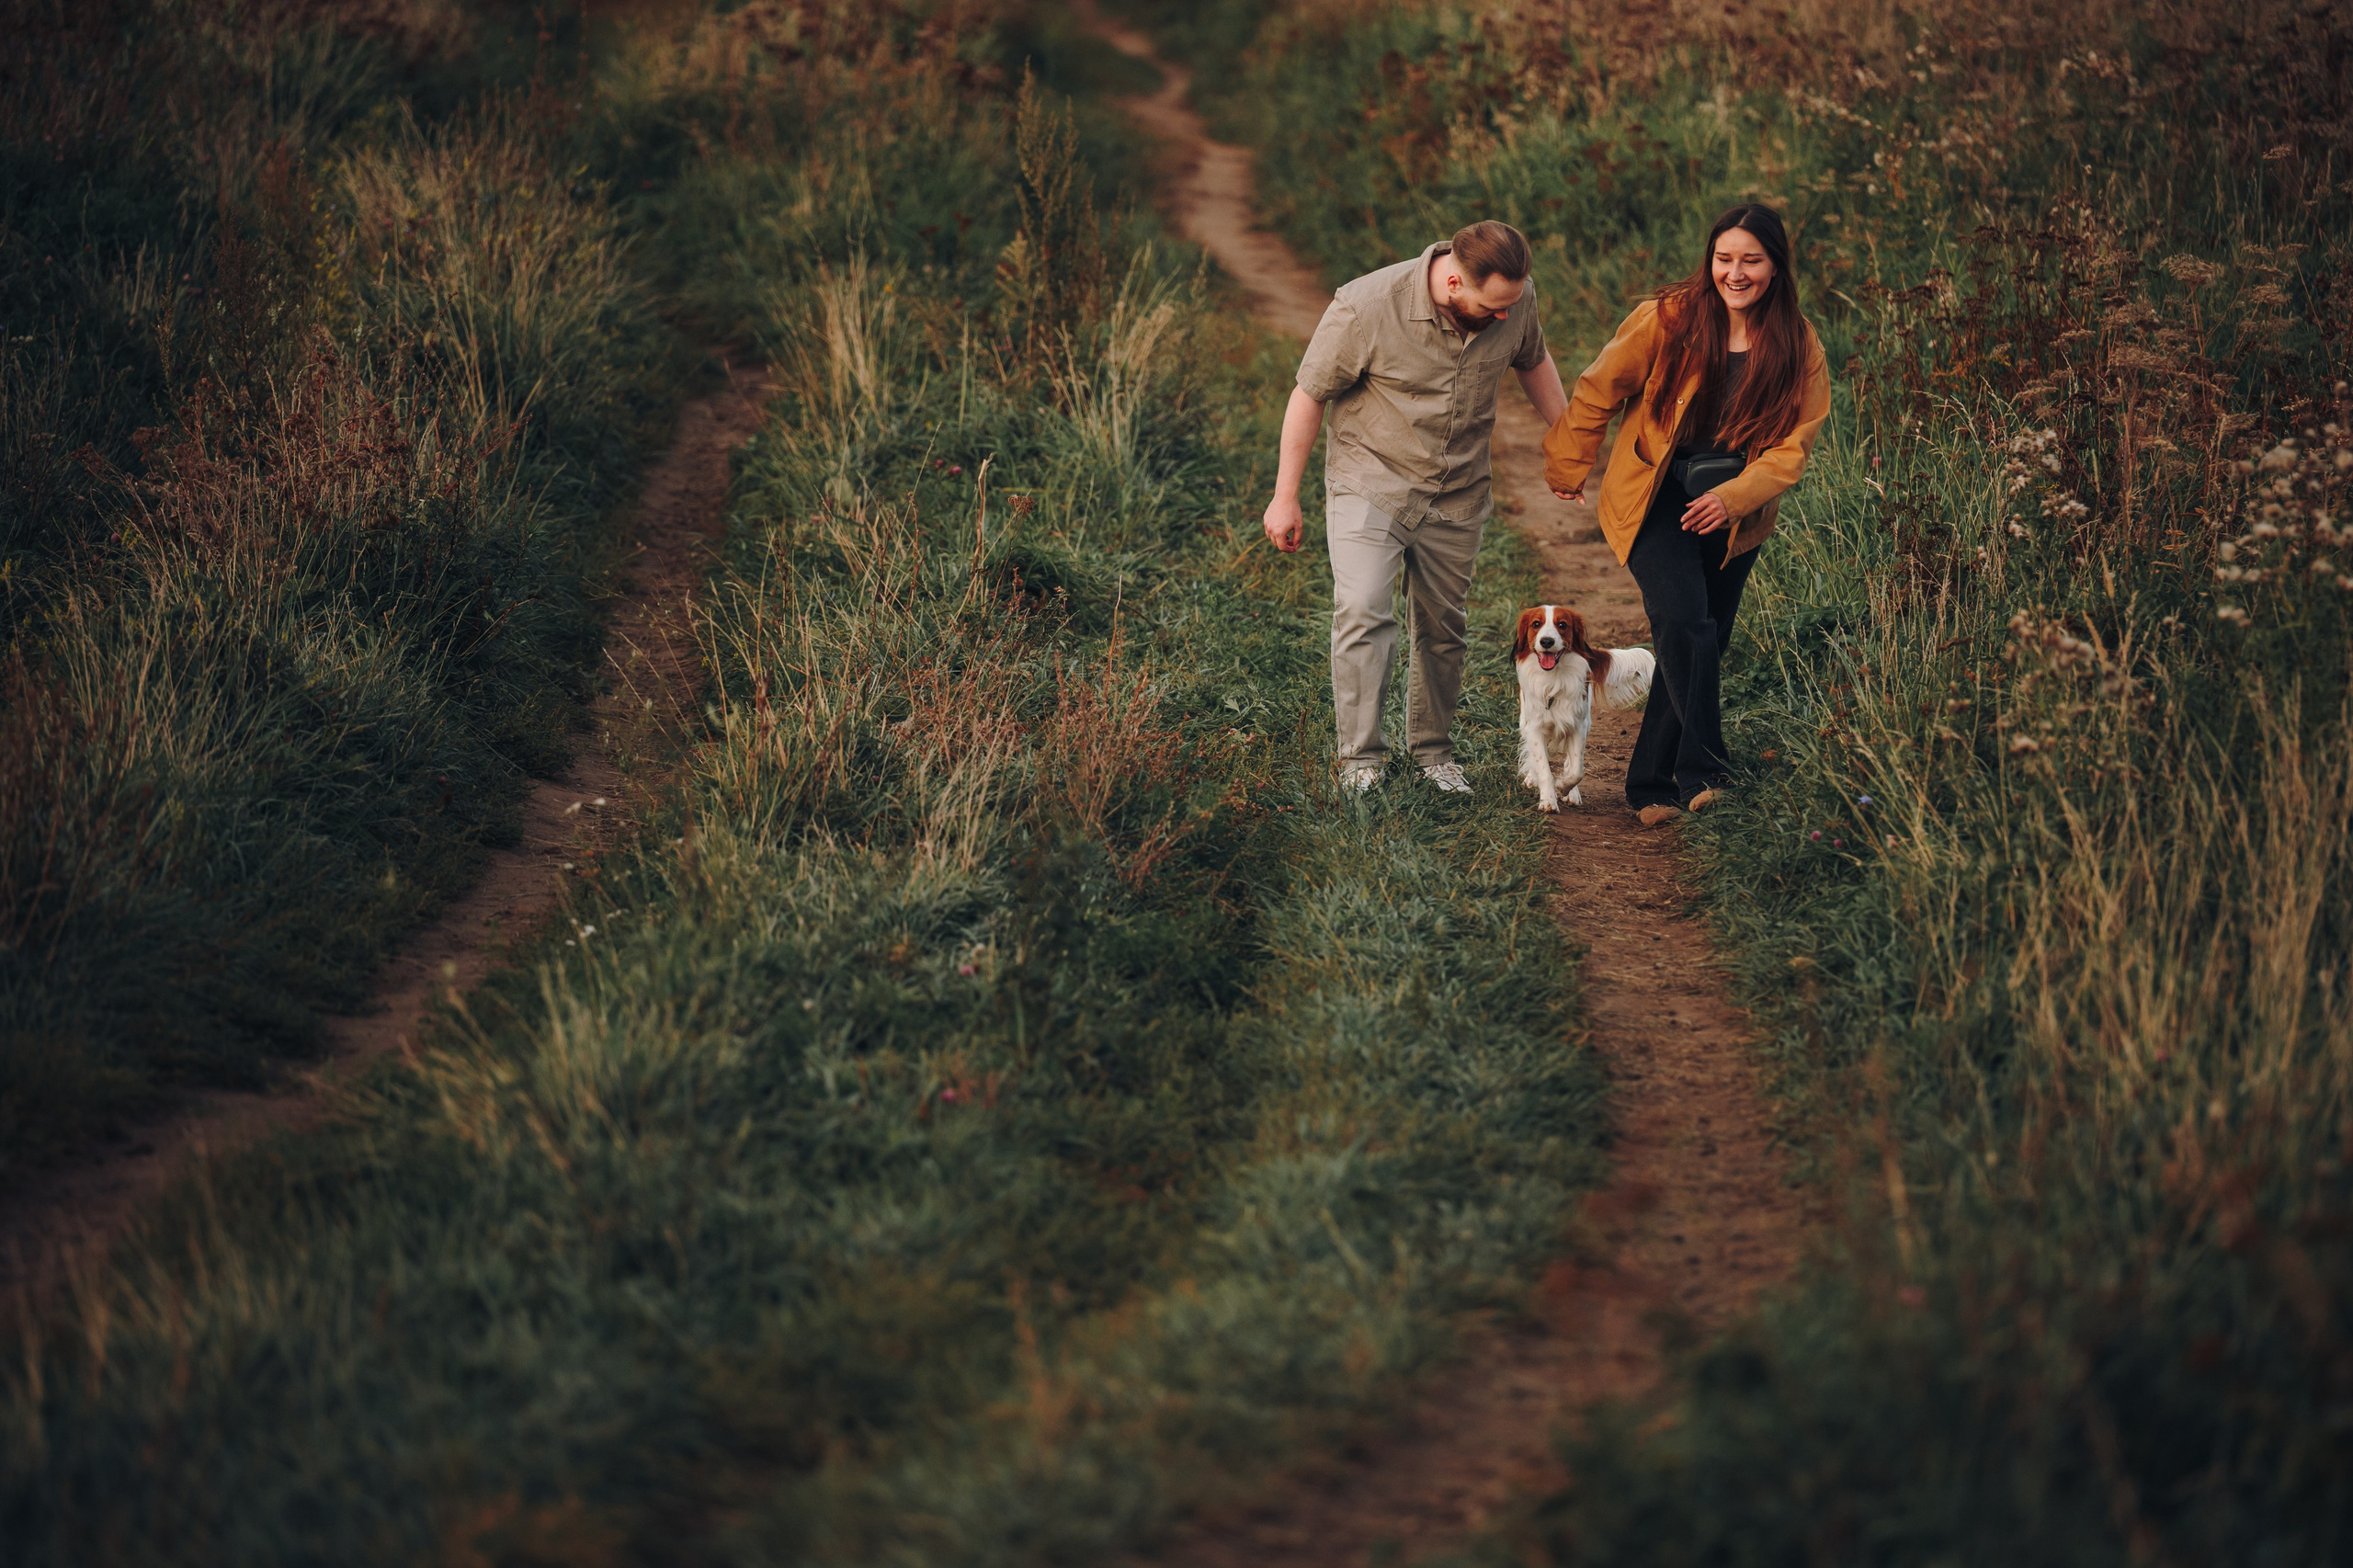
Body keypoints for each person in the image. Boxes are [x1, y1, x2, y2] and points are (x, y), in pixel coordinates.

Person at [1543, 204, 1831, 825]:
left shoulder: (1799, 342)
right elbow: (1601, 386)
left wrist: (1735, 498)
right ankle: (1705, 772)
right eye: (1724, 258)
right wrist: (1569, 464)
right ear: (1710, 260)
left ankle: (1649, 783)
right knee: (1684, 622)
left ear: (1776, 267)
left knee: (1703, 638)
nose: (1735, 272)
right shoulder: (1668, 319)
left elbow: (1794, 446)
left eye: (1751, 260)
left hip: (1737, 506)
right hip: (1655, 492)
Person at [1264, 221, 1569, 794]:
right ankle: (1360, 763)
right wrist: (1285, 496)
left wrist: (1568, 442)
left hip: (1458, 489)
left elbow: (1533, 359)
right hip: (1371, 480)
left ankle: (1433, 755)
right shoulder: (1365, 306)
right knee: (1362, 609)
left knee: (1442, 625)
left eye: (1512, 304)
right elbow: (1308, 395)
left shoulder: (1514, 298)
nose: (1504, 316)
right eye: (1491, 306)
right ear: (1453, 280)